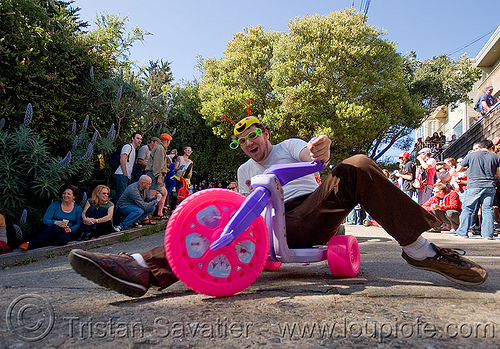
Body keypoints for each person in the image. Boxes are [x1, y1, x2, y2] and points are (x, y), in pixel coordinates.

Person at [69, 116, 487, 298]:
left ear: (265, 133)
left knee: (356, 165)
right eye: (242, 138)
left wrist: (320, 152)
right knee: (216, 224)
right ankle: (141, 268)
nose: (249, 141)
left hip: (308, 215)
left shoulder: (288, 146)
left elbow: (313, 153)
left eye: (253, 133)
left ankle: (421, 251)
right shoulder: (243, 168)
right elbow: (233, 209)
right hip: (264, 226)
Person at [453, 139, 500, 240]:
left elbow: (458, 169)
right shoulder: (496, 156)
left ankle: (463, 232)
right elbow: (498, 174)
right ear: (491, 147)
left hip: (474, 185)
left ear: (480, 146)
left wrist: (470, 168)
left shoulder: (471, 155)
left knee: (468, 208)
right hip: (489, 185)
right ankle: (488, 234)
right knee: (487, 209)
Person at [20, 185, 82, 250]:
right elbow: (45, 220)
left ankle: (39, 242)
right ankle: (30, 244)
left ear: (73, 196)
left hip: (65, 231)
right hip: (53, 228)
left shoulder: (77, 208)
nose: (65, 195)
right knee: (57, 228)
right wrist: (55, 222)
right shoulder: (55, 204)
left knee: (63, 239)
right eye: (64, 193)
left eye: (68, 194)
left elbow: (78, 223)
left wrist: (70, 229)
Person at [145, 133, 172, 220]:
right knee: (151, 195)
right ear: (167, 141)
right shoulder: (160, 149)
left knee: (164, 193)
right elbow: (157, 164)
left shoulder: (161, 149)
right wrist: (159, 176)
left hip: (158, 174)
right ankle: (146, 216)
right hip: (154, 175)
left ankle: (159, 213)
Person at [113, 132, 142, 202]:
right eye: (137, 138)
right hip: (121, 175)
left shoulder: (134, 150)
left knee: (124, 197)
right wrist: (125, 174)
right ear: (132, 138)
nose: (139, 141)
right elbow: (122, 159)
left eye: (141, 139)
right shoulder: (128, 147)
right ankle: (116, 212)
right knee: (121, 197)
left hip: (126, 176)